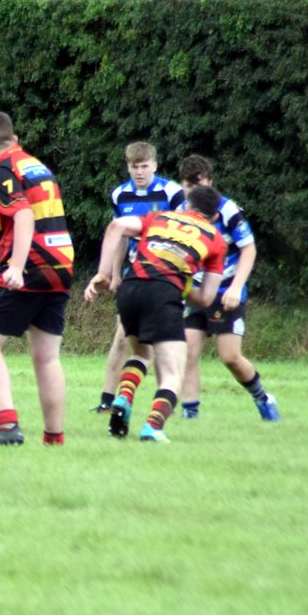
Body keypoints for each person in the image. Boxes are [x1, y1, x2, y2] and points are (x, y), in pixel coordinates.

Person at [83, 184, 227, 443]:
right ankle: (152, 426)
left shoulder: (160, 217)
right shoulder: (216, 239)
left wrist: (104, 274)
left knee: (141, 354)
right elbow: (206, 298)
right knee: (173, 372)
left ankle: (123, 397)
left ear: (186, 205)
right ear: (215, 216)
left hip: (130, 288)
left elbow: (116, 226)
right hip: (163, 293)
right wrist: (184, 287)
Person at [0, 112, 75, 446]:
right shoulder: (35, 165)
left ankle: (7, 427)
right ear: (15, 140)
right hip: (61, 263)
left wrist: (15, 267)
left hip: (31, 264)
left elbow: (24, 214)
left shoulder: (2, 171)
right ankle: (54, 437)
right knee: (47, 356)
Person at [175, 155, 279, 421]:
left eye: (198, 184)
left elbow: (248, 249)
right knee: (187, 351)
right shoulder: (180, 212)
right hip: (196, 291)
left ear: (210, 182)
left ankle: (262, 397)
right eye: (188, 185)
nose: (193, 191)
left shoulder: (228, 210)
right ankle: (190, 414)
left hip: (225, 290)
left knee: (230, 357)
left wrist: (236, 287)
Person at [93, 142, 184, 413]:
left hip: (165, 274)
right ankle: (107, 400)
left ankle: (165, 400)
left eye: (144, 166)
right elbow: (119, 235)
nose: (140, 172)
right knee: (122, 337)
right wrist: (114, 273)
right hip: (134, 273)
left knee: (161, 343)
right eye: (135, 167)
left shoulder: (172, 192)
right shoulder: (120, 194)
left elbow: (182, 233)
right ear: (128, 167)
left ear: (154, 165)